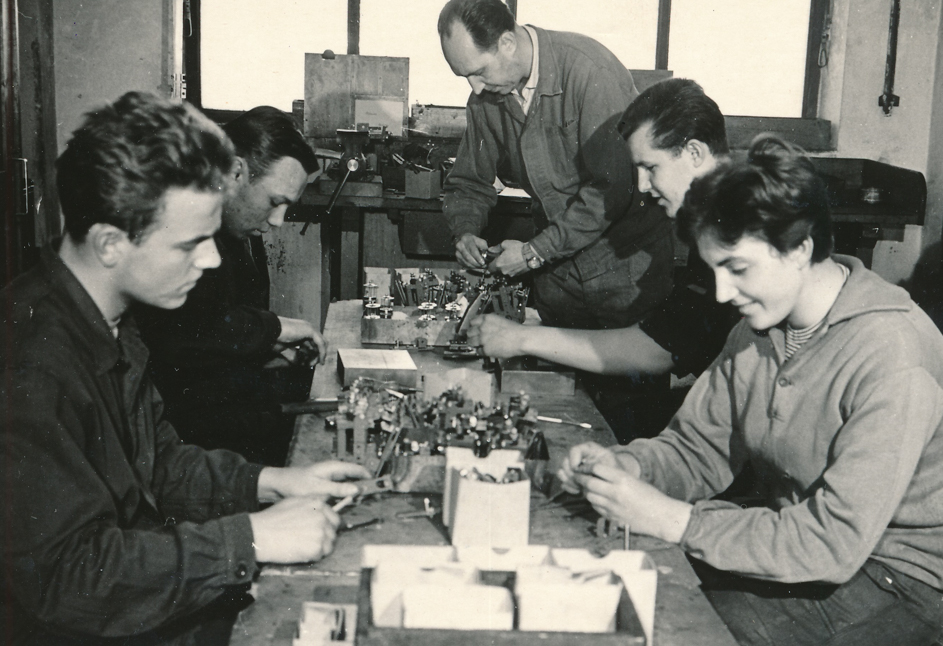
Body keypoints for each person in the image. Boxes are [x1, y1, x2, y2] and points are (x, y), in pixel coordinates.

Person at [558, 136, 943, 645]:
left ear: (800, 249)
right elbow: (698, 449)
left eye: (737, 269)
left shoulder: (893, 353)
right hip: (803, 546)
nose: (721, 293)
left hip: (892, 581)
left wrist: (672, 519)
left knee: (669, 626)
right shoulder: (757, 332)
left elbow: (832, 543)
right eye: (714, 270)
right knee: (612, 588)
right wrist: (629, 468)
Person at [0, 92, 371, 646]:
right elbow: (67, 578)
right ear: (110, 244)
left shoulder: (110, 323)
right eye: (191, 243)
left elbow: (159, 465)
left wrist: (270, 482)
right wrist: (248, 539)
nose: (213, 259)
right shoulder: (32, 364)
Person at [467, 79, 737, 440]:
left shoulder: (740, 228)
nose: (643, 186)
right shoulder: (718, 219)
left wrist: (521, 339)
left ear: (694, 153)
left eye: (651, 167)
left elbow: (656, 350)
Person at [437, 0, 674, 331]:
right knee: (550, 360)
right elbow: (468, 182)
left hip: (624, 266)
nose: (475, 88)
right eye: (465, 76)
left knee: (628, 360)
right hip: (557, 271)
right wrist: (465, 231)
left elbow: (612, 188)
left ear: (507, 43)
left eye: (479, 72)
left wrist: (534, 252)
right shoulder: (486, 97)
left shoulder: (590, 71)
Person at [136, 106, 322, 466]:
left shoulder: (238, 230)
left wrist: (268, 347)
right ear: (237, 172)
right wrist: (274, 329)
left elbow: (217, 319)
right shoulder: (188, 232)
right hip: (185, 434)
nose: (278, 221)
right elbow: (186, 333)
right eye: (275, 202)